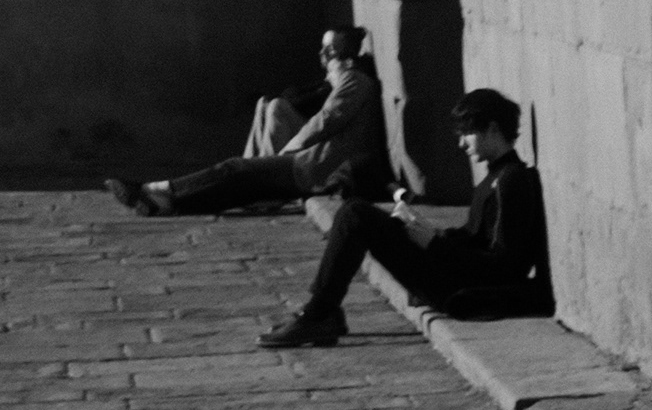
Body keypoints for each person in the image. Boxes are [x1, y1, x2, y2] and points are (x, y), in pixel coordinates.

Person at [256, 89, 551, 351]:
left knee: (355, 214)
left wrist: (434, 245)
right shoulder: (496, 177)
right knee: (357, 210)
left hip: (461, 290)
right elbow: (474, 237)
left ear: (493, 129)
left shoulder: (512, 180)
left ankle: (319, 313)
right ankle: (320, 311)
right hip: (454, 275)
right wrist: (425, 231)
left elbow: (504, 265)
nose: (462, 144)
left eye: (467, 133)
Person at [105, 27, 391, 217]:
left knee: (235, 170)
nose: (323, 58)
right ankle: (164, 202)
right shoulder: (352, 81)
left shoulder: (354, 80)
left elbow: (327, 120)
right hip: (311, 166)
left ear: (345, 56)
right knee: (238, 187)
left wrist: (285, 153)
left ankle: (157, 190)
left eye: (329, 52)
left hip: (314, 169)